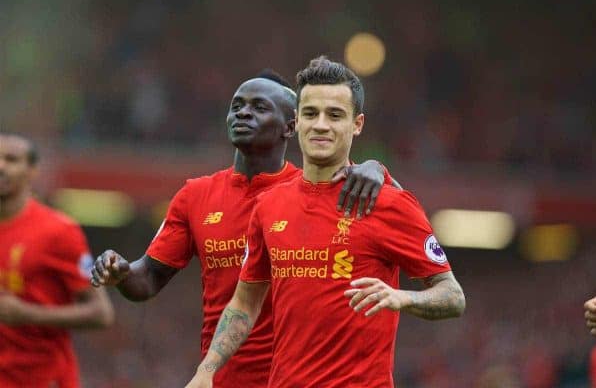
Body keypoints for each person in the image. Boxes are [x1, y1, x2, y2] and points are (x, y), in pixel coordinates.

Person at [91, 70, 401, 388]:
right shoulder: (196, 196)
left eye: (259, 107)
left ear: (291, 126)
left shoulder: (313, 190)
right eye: (237, 105)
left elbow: (400, 213)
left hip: (298, 379)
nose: (243, 112)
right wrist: (122, 272)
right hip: (223, 379)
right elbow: (149, 278)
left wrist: (377, 170)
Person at [186, 57, 466, 388]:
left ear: (357, 123)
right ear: (296, 121)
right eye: (310, 113)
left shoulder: (387, 203)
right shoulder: (268, 206)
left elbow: (452, 296)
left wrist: (401, 297)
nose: (321, 125)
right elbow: (245, 302)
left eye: (335, 115)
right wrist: (207, 370)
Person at [0, 133, 115, 388]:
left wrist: (29, 314)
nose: (1, 166)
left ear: (32, 171)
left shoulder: (58, 231)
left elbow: (101, 313)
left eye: (11, 159)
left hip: (42, 379)